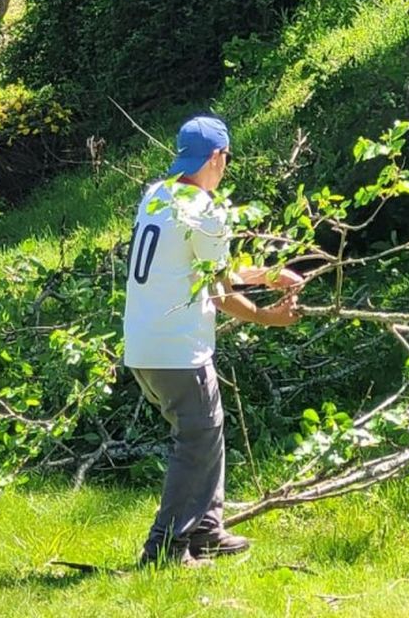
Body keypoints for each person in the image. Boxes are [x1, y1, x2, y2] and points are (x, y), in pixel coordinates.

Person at [123, 112, 302, 566]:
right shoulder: (205, 210)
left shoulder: (158, 196)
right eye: (226, 158)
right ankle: (164, 548)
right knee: (197, 439)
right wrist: (269, 317)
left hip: (144, 345)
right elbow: (220, 294)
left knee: (206, 432)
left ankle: (206, 529)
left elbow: (205, 272)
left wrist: (269, 275)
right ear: (219, 157)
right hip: (177, 350)